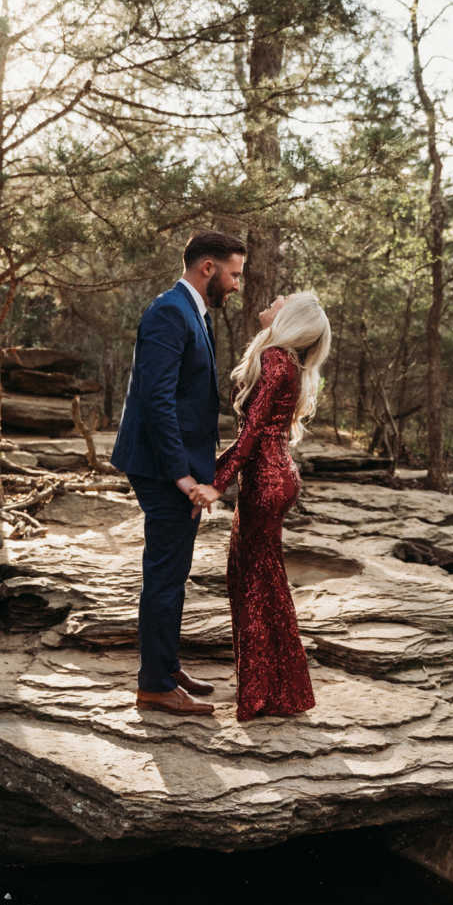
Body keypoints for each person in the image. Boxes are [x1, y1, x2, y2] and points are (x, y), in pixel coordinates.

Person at [110, 229, 246, 716]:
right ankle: (154, 685)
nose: (236, 284)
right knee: (165, 576)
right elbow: (157, 399)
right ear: (207, 268)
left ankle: (165, 667)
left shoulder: (193, 312)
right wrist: (181, 476)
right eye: (233, 274)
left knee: (174, 572)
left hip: (180, 465)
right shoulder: (170, 311)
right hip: (164, 469)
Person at [190, 291, 332, 721]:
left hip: (267, 479)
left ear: (292, 319)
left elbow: (250, 436)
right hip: (276, 475)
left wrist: (215, 484)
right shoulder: (284, 360)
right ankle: (280, 691)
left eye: (285, 300)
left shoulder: (275, 360)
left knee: (253, 586)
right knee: (259, 583)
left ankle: (262, 696)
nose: (276, 298)